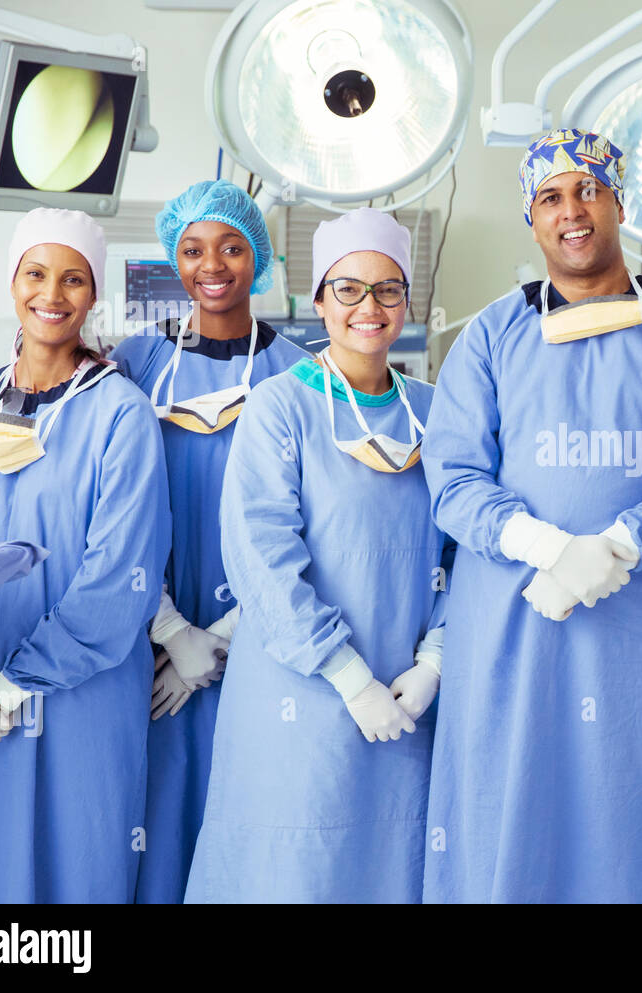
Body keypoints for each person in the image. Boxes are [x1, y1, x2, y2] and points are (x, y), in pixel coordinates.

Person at [420, 128, 642, 903]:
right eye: (550, 197)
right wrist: (546, 546)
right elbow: (454, 477)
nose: (571, 210)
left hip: (639, 638)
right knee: (508, 821)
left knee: (634, 822)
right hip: (513, 629)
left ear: (620, 205)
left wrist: (619, 545)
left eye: (588, 190)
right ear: (532, 219)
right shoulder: (490, 336)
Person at [184, 207, 449, 902]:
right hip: (298, 694)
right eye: (348, 289)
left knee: (392, 867)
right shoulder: (280, 406)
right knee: (293, 872)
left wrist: (436, 659)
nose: (369, 307)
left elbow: (466, 548)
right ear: (319, 301)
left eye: (387, 289)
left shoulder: (437, 411)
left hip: (407, 699)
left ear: (407, 301)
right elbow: (261, 556)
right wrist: (348, 676)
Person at [0, 208, 171, 901]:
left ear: (93, 294)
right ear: (13, 282)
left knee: (79, 874)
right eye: (36, 274)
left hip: (83, 699)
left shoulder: (121, 414)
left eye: (74, 279)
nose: (52, 293)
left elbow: (120, 577)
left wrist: (9, 690)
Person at [110, 179, 309, 903]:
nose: (212, 265)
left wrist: (223, 638)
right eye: (192, 250)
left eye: (231, 247)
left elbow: (316, 521)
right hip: (153, 638)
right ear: (175, 260)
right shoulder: (134, 363)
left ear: (258, 257)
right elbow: (111, 511)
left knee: (252, 812)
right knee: (161, 823)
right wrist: (171, 630)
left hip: (266, 636)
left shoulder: (301, 372)